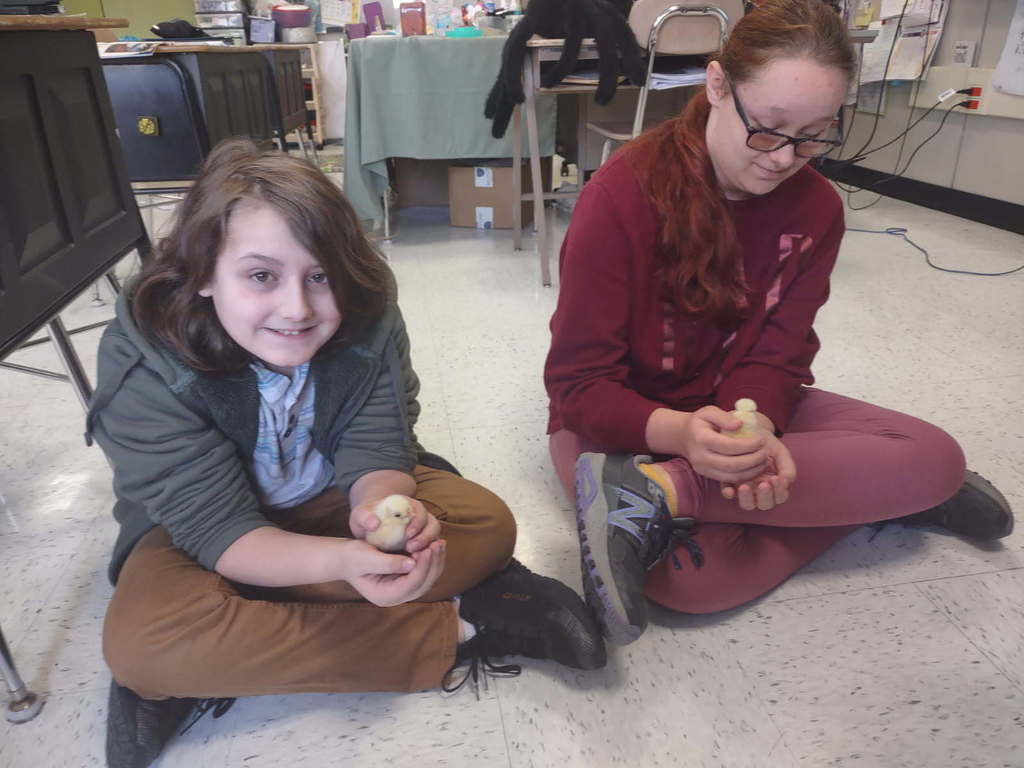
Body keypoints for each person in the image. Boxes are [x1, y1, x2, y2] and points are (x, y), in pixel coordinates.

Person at [89, 140, 605, 768]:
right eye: (260, 276)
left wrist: (378, 506)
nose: (298, 308)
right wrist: (345, 561)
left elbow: (378, 438)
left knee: (488, 525)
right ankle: (467, 625)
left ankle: (232, 648)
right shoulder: (144, 353)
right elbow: (216, 527)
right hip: (199, 536)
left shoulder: (367, 311)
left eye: (320, 276)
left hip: (327, 498)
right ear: (202, 273)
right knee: (143, 647)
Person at [544, 0, 1013, 646]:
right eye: (767, 128)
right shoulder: (620, 198)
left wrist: (759, 425)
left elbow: (783, 356)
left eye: (816, 134)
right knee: (685, 582)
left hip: (732, 412)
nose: (785, 157)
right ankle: (873, 497)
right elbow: (578, 388)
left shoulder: (818, 209)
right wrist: (680, 432)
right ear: (716, 87)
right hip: (620, 429)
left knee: (938, 459)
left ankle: (664, 495)